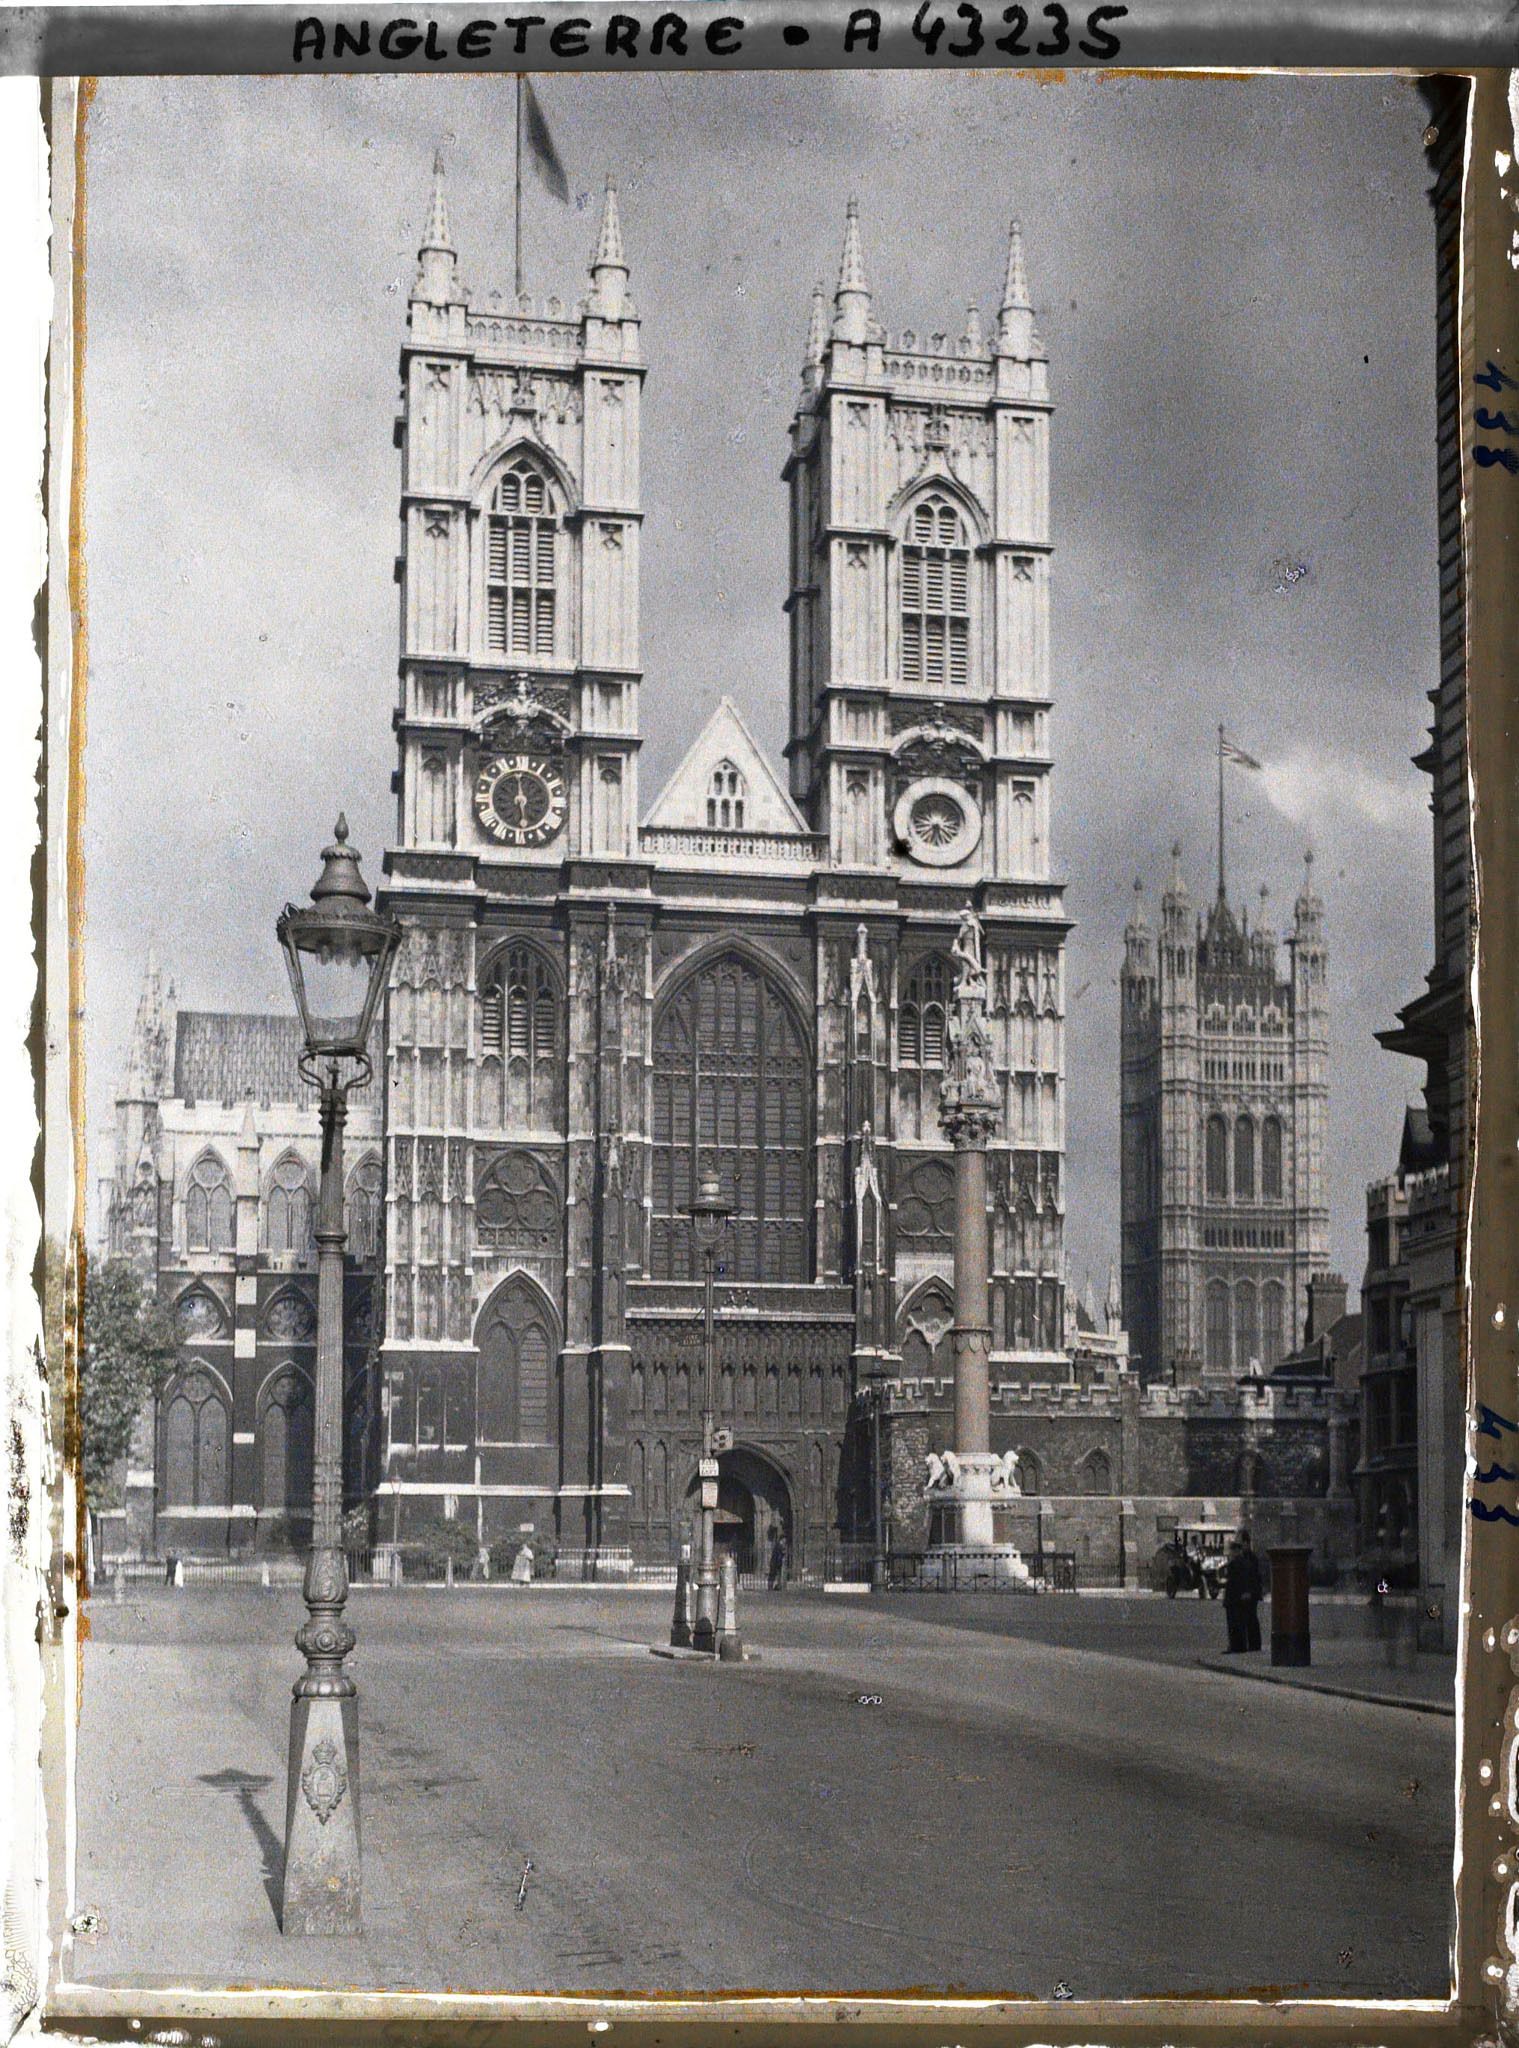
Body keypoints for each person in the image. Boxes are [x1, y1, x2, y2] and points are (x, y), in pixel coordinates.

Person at [1222, 1528, 1264, 1651]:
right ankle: (1247, 1645)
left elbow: (1252, 1577)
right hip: (1245, 1593)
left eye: (1240, 1543)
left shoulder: (1251, 1558)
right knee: (1243, 1619)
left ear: (1246, 1543)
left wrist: (1249, 1592)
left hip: (1249, 1592)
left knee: (1250, 1619)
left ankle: (1253, 1645)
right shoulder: (1245, 1557)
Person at [767, 1524, 788, 1591]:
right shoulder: (778, 1546)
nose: (785, 1541)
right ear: (781, 1540)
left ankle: (778, 1586)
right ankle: (770, 1587)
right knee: (772, 1575)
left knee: (778, 1575)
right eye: (784, 1540)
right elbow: (778, 1555)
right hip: (775, 1562)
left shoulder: (780, 1546)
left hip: (778, 1563)